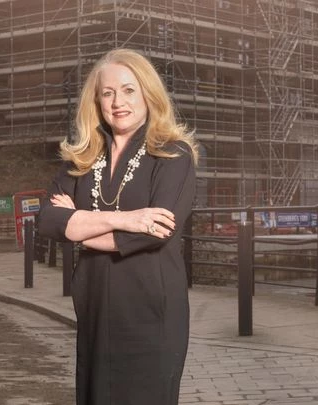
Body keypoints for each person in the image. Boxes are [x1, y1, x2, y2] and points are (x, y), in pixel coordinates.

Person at [37, 48, 198, 405]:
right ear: (96, 100)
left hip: (150, 313)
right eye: (107, 92)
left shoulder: (174, 155)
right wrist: (123, 219)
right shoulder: (82, 158)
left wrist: (77, 225)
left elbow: (153, 233)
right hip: (94, 307)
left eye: (128, 90)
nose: (117, 102)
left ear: (148, 94)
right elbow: (46, 220)